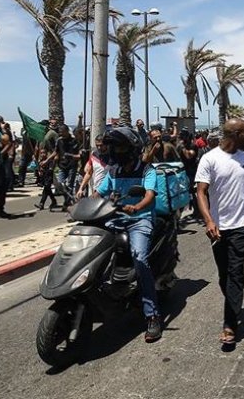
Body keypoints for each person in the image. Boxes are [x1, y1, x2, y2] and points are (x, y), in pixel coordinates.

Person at [94, 128, 163, 342]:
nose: (116, 151)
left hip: (139, 220)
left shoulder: (146, 170)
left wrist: (137, 207)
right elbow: (99, 193)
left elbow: (150, 196)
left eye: (121, 146)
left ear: (132, 148)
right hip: (114, 219)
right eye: (114, 146)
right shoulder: (112, 171)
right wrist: (81, 205)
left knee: (139, 258)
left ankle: (152, 315)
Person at [195, 119, 244, 346]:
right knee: (224, 274)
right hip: (218, 227)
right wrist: (209, 221)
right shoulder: (209, 158)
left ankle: (229, 324)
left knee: (235, 271)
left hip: (241, 224)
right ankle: (234, 303)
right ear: (235, 134)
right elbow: (201, 193)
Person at [76, 134, 112, 199]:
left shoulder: (114, 156)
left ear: (107, 144)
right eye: (97, 145)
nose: (99, 148)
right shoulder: (94, 155)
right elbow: (89, 173)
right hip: (97, 190)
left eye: (101, 145)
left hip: (110, 192)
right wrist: (81, 189)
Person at [52, 125, 80, 208]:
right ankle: (67, 200)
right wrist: (47, 161)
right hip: (62, 166)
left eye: (62, 132)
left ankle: (67, 203)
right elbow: (55, 152)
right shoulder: (59, 141)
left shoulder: (74, 141)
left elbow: (78, 154)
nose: (60, 134)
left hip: (72, 165)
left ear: (67, 131)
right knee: (61, 185)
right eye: (59, 132)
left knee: (69, 186)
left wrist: (71, 156)